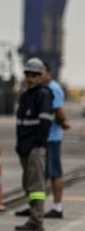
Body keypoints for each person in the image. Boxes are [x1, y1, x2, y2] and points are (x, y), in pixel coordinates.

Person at [14, 58, 55, 231]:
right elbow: (21, 122)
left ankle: (37, 219)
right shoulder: (25, 96)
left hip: (35, 148)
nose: (30, 78)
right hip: (24, 147)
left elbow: (45, 122)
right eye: (28, 75)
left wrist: (37, 144)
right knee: (28, 183)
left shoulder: (43, 94)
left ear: (40, 76)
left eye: (34, 75)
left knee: (36, 185)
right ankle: (33, 214)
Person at [43, 62, 71, 218]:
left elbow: (58, 112)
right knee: (42, 174)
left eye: (41, 73)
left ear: (49, 73)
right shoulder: (43, 89)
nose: (38, 76)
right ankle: (35, 206)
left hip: (52, 137)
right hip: (45, 137)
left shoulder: (53, 89)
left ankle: (57, 207)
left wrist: (63, 122)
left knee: (54, 173)